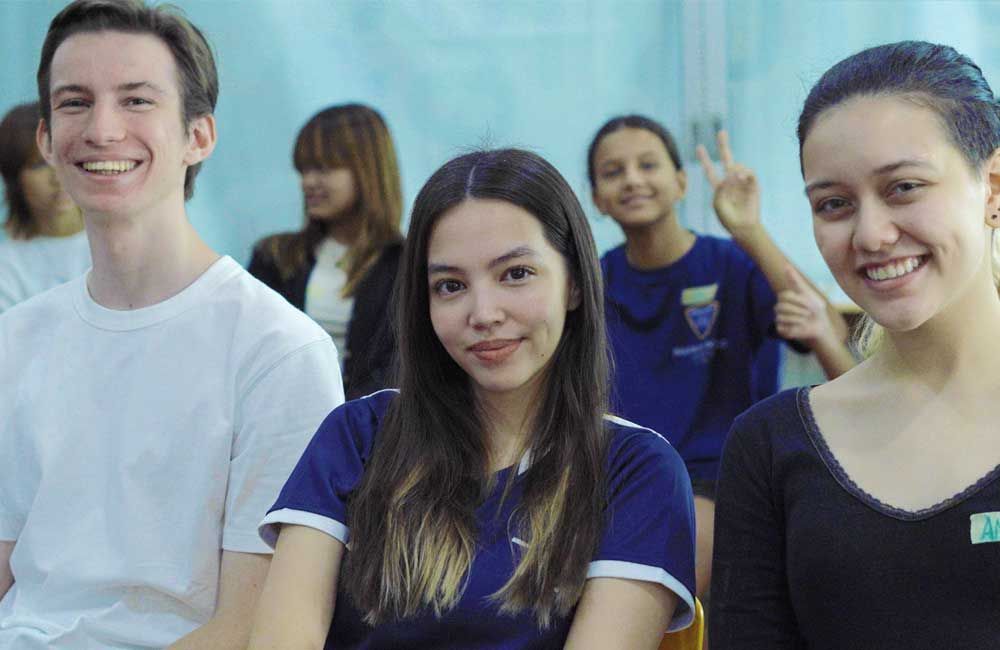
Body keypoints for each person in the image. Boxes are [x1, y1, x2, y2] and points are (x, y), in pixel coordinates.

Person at [247, 148, 697, 649]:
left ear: (573, 283)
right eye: (451, 285)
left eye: (516, 274)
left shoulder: (636, 469)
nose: (483, 313)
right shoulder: (359, 434)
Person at [0, 1, 343, 648]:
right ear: (45, 139)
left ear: (199, 136)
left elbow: (252, 624)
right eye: (74, 102)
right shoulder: (16, 340)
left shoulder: (280, 352)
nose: (102, 129)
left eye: (136, 101)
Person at [710, 41, 1000, 648]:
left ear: (992, 188)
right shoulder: (770, 445)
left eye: (904, 188)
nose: (871, 234)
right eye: (834, 204)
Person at [586, 115, 855, 600]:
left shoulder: (729, 261)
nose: (632, 179)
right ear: (596, 200)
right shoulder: (591, 284)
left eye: (648, 164)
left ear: (681, 183)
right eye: (613, 171)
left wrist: (748, 229)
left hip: (719, 477)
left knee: (664, 558)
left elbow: (830, 329)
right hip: (618, 475)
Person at [248, 103, 403, 399]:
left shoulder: (407, 264)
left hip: (370, 432)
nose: (308, 182)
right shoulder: (274, 257)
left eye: (323, 168)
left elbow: (400, 370)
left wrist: (344, 424)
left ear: (367, 170)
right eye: (304, 169)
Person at [0, 101, 89, 312]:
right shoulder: (7, 267)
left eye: (65, 157)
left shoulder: (121, 245)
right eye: (39, 165)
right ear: (15, 180)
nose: (57, 177)